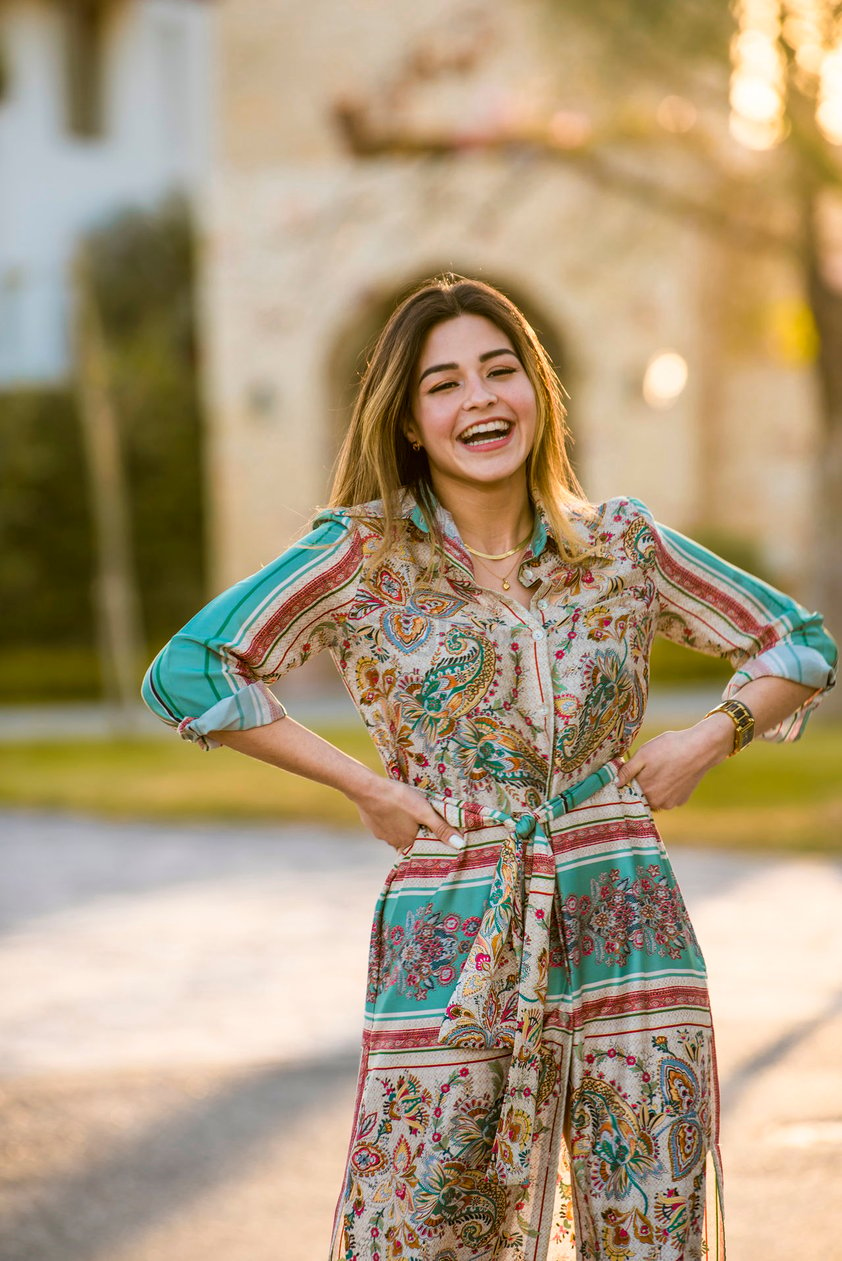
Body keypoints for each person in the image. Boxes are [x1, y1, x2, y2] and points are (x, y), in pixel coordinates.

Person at [142, 275, 837, 1261]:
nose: (479, 399)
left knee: (647, 1231)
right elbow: (189, 669)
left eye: (499, 371)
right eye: (443, 383)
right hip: (454, 922)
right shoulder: (360, 555)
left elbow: (798, 643)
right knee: (422, 1232)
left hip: (623, 915)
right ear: (411, 421)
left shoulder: (619, 546)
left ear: (537, 392)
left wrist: (707, 735)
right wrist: (367, 786)